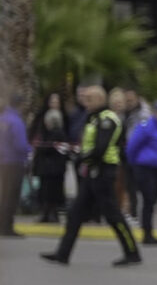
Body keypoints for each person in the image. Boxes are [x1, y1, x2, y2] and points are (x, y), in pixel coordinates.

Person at [38, 83, 141, 267]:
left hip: (103, 173)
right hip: (92, 173)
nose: (86, 102)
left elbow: (100, 148)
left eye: (89, 99)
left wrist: (81, 157)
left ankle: (132, 252)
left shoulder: (107, 119)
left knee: (113, 216)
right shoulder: (94, 118)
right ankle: (62, 254)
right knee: (75, 214)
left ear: (100, 99)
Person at [123, 99, 157, 245]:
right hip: (144, 167)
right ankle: (147, 233)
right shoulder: (146, 126)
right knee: (148, 200)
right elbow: (132, 146)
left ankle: (149, 232)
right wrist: (134, 163)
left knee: (152, 201)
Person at [29, 93, 69, 224]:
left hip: (51, 168)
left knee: (50, 192)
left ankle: (50, 213)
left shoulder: (55, 135)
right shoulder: (52, 133)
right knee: (48, 192)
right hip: (50, 168)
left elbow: (48, 148)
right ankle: (48, 213)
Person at [0, 97, 27, 238]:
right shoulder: (16, 121)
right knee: (12, 196)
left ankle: (2, 225)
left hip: (3, 162)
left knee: (4, 195)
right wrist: (30, 150)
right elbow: (20, 145)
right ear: (20, 105)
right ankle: (7, 227)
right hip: (15, 162)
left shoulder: (2, 119)